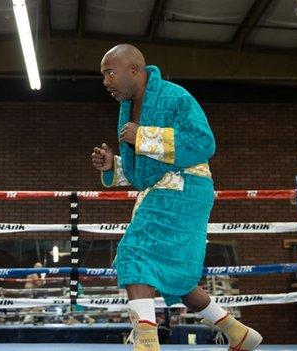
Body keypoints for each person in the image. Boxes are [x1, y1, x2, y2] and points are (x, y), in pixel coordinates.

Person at [91, 44, 262, 351]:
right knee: (178, 279)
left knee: (133, 254)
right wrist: (113, 165)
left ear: (135, 69)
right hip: (164, 190)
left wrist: (142, 135)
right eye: (103, 74)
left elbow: (202, 143)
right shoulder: (128, 110)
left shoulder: (175, 97)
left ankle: (146, 343)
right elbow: (143, 174)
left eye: (110, 72)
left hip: (185, 188)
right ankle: (239, 333)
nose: (105, 81)